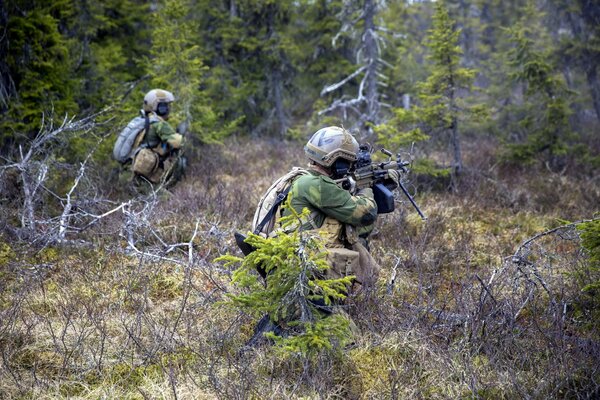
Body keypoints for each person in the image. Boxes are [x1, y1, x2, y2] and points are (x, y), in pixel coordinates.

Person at [283, 126, 399, 289]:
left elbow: (359, 229)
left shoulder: (303, 178)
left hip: (296, 258)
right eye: (348, 162)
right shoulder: (318, 185)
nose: (351, 167)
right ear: (337, 161)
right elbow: (366, 215)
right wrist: (366, 188)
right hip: (306, 268)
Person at [131, 89, 185, 186]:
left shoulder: (143, 119)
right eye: (164, 106)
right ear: (157, 107)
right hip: (143, 179)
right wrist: (182, 136)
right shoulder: (158, 123)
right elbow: (178, 143)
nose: (168, 109)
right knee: (167, 199)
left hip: (131, 170)